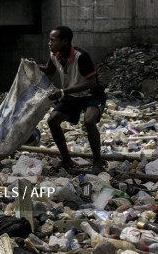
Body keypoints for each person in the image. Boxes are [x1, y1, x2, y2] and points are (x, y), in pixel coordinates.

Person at [39, 26, 107, 173]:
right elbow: (50, 71)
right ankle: (66, 160)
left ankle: (97, 162)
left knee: (89, 121)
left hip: (92, 94)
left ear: (65, 41)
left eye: (53, 40)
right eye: (49, 40)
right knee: (52, 121)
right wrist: (34, 66)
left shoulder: (80, 56)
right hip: (72, 96)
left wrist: (63, 91)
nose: (49, 43)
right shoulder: (54, 55)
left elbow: (91, 82)